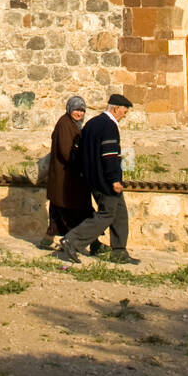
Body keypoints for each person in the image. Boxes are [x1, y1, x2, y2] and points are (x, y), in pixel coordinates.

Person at [58, 93, 139, 266]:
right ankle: (71, 241)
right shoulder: (109, 126)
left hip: (93, 179)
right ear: (116, 108)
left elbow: (78, 152)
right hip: (105, 181)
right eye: (124, 111)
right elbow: (109, 155)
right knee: (107, 213)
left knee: (120, 213)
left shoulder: (92, 123)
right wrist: (114, 180)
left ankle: (119, 251)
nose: (124, 115)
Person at [43, 95, 97, 250]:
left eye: (82, 110)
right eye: (76, 110)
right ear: (69, 109)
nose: (79, 113)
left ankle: (52, 240)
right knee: (72, 212)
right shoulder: (65, 124)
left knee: (63, 213)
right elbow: (66, 152)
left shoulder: (72, 124)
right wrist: (82, 162)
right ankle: (88, 243)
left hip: (67, 178)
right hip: (65, 178)